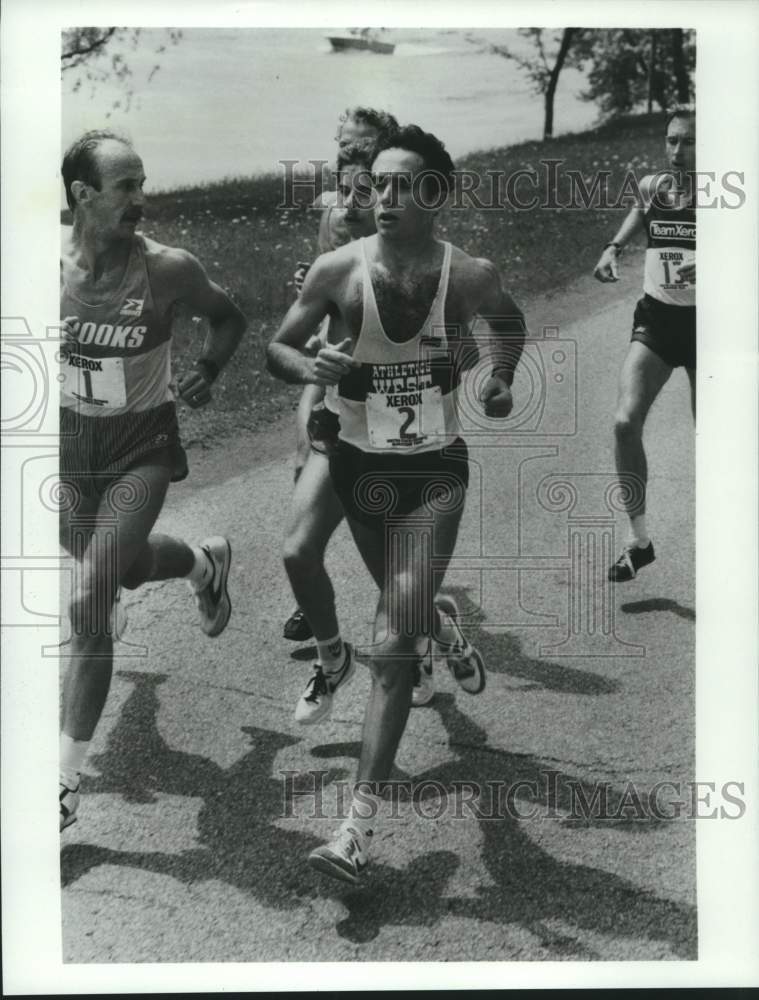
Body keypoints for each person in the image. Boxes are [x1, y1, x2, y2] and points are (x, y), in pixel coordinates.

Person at [267, 125, 526, 883]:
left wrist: (499, 377)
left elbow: (506, 325)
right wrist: (307, 362)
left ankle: (354, 830)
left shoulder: (469, 274)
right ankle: (429, 626)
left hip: (431, 475)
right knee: (324, 566)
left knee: (389, 644)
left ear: (436, 195)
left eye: (402, 184)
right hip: (352, 463)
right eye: (376, 183)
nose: (382, 197)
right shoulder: (338, 270)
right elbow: (277, 347)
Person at [58, 130, 247, 831]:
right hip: (65, 449)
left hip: (141, 444)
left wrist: (209, 366)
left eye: (143, 183)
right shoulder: (36, 260)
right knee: (129, 572)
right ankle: (204, 564)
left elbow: (228, 317)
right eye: (125, 187)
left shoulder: (166, 270)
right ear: (82, 195)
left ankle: (62, 788)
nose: (142, 199)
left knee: (88, 600)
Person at [283, 107, 399, 644]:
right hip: (330, 347)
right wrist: (308, 279)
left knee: (373, 498)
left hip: (380, 364)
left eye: (360, 143)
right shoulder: (333, 207)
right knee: (307, 444)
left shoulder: (392, 204)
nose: (345, 151)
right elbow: (321, 271)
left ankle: (406, 616)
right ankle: (312, 588)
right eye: (341, 143)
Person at [594, 107, 696, 582]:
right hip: (657, 318)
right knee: (623, 423)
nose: (678, 152)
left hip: (710, 327)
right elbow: (641, 204)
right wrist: (614, 247)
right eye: (672, 141)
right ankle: (639, 542)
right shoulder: (657, 184)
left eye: (689, 142)